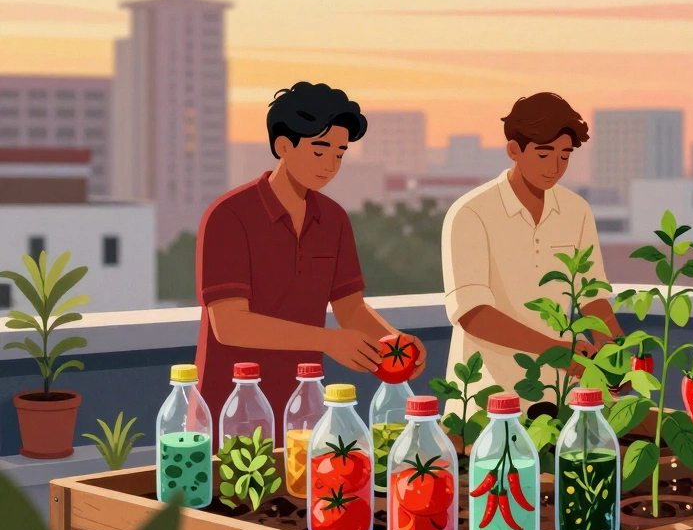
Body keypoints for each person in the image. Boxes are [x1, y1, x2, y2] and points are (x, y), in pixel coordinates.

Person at [196, 82, 426, 440]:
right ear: (283, 146)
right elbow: (229, 324)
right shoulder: (230, 216)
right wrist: (329, 341)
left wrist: (395, 341)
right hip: (232, 409)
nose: (331, 166)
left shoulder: (333, 219)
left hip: (306, 409)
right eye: (320, 151)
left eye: (339, 154)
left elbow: (351, 310)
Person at [441, 92, 626, 415]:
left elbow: (592, 293)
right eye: (543, 154)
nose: (555, 167)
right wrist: (556, 350)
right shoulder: (471, 213)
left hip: (558, 395)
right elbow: (473, 314)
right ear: (514, 150)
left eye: (564, 156)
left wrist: (617, 352)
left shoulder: (576, 210)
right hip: (487, 397)